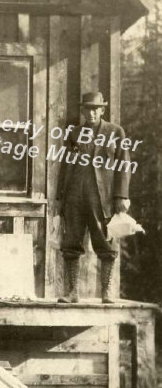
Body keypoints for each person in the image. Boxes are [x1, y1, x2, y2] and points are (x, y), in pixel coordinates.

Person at [57, 92, 131, 303]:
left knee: (105, 242)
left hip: (102, 197)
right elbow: (65, 165)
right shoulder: (74, 134)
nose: (91, 112)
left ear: (102, 110)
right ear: (82, 110)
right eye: (87, 108)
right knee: (71, 242)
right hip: (74, 196)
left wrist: (121, 195)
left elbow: (123, 165)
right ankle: (72, 292)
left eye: (95, 108)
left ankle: (106, 291)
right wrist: (60, 197)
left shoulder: (115, 132)